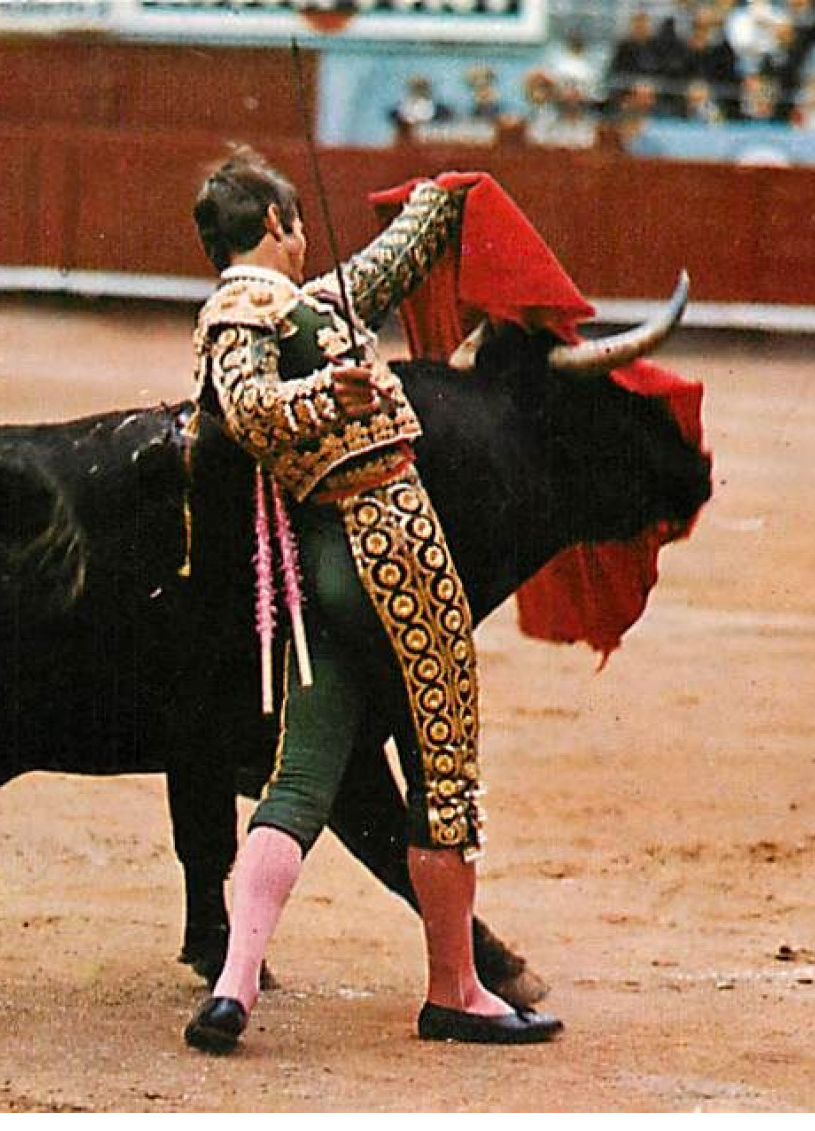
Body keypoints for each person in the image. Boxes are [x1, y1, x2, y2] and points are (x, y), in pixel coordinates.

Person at [182, 149, 562, 1053]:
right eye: (297, 226)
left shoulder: (308, 302)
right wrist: (330, 393)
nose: (308, 240)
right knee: (444, 768)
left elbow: (390, 262)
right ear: (275, 225)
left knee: (304, 772)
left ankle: (234, 987)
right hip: (389, 543)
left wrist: (446, 196)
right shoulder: (246, 307)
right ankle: (455, 988)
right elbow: (249, 409)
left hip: (321, 570)